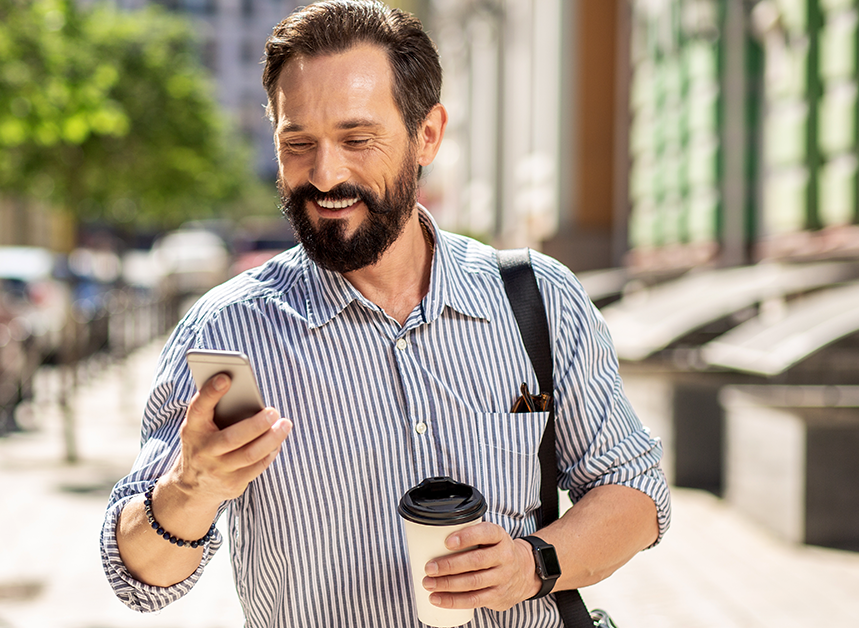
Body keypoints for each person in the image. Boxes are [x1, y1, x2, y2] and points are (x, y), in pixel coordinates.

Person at [101, 2, 671, 626]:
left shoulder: (536, 298)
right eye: (298, 144)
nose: (325, 175)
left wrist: (531, 564)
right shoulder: (229, 330)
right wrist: (192, 489)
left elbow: (636, 492)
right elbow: (139, 577)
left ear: (427, 135)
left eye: (357, 139)